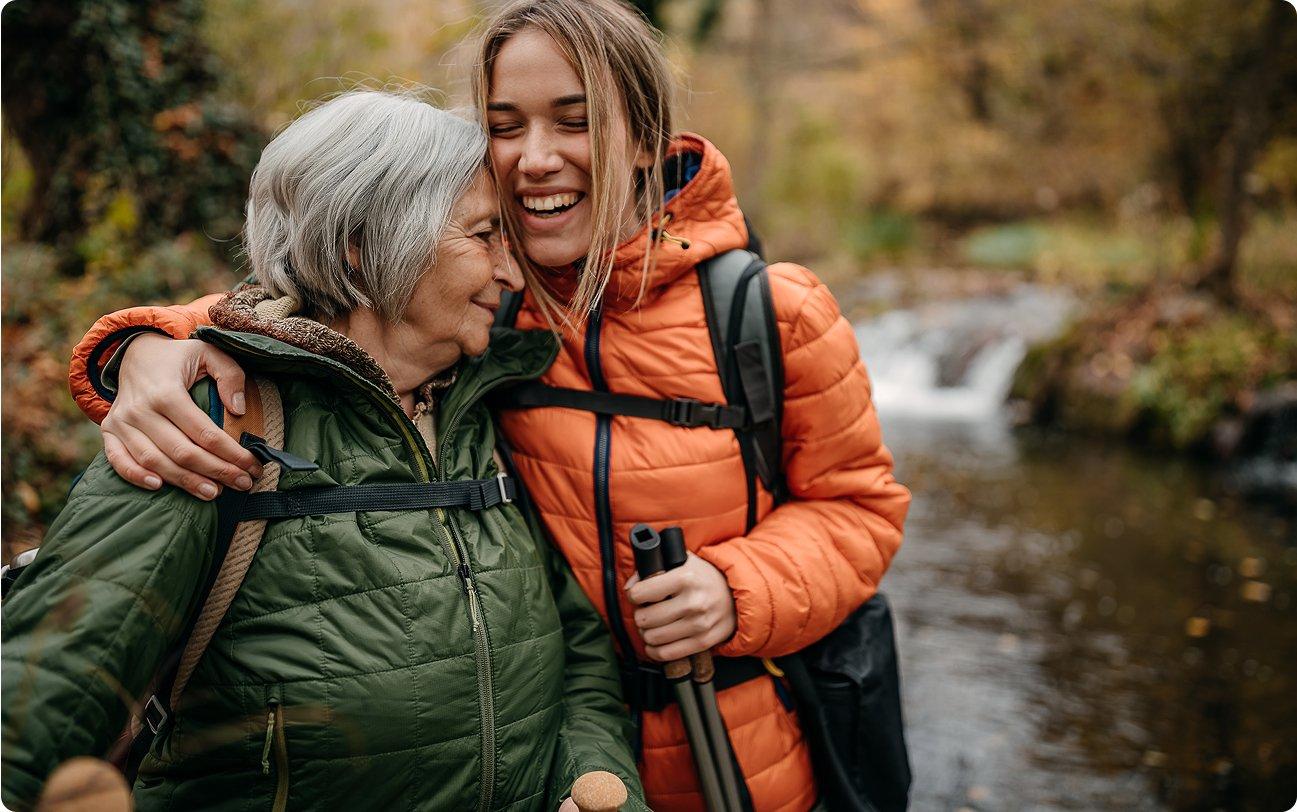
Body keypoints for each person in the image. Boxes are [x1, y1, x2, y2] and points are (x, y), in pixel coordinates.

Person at [62, 1, 913, 809]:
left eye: (573, 121)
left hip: (734, 755)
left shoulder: (770, 312)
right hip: (535, 758)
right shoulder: (475, 296)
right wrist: (148, 344)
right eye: (504, 126)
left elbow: (859, 509)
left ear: (648, 138)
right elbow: (308, 303)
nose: (533, 157)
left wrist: (739, 588)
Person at [2, 89, 646, 812]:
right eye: (484, 235)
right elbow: (32, 710)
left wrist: (596, 786)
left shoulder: (484, 421)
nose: (510, 271)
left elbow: (578, 662)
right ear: (363, 244)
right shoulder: (212, 424)